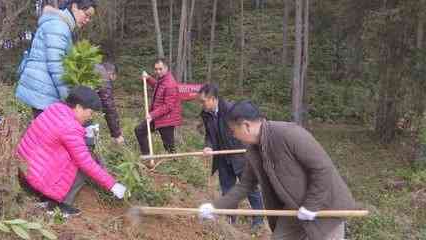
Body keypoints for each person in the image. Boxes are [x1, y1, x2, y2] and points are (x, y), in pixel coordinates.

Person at [198, 101, 357, 240]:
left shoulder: (289, 134)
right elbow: (245, 186)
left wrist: (311, 205)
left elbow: (322, 169)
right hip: (293, 207)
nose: (234, 135)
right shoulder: (253, 150)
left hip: (325, 206)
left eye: (233, 131)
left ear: (246, 125)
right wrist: (216, 207)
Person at [17, 86, 127, 217]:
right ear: (79, 107)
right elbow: (86, 163)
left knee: (77, 156)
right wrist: (113, 185)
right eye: (90, 112)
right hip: (36, 179)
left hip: (23, 169)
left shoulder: (55, 108)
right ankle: (55, 205)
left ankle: (48, 200)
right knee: (82, 165)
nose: (89, 117)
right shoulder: (70, 127)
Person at [198, 84, 264, 232]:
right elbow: (209, 134)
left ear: (213, 99)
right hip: (222, 158)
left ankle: (258, 220)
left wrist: (248, 151)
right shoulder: (206, 114)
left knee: (250, 188)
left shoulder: (230, 110)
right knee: (227, 188)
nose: (201, 105)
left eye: (203, 101)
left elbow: (245, 131)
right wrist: (208, 146)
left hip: (240, 155)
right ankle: (230, 217)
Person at [15, 0, 97, 118]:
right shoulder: (59, 26)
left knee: (44, 132)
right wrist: (70, 101)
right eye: (86, 14)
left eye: (90, 17)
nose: (87, 20)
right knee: (46, 134)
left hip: (43, 91)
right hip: (44, 94)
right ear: (74, 7)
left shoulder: (60, 24)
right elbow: (57, 67)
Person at [135, 58, 182, 155]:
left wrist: (152, 114)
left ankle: (174, 164)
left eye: (160, 69)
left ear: (166, 68)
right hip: (157, 117)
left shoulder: (170, 84)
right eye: (156, 69)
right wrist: (148, 78)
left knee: (169, 147)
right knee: (139, 130)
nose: (158, 71)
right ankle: (147, 156)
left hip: (167, 120)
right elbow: (157, 86)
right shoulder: (162, 80)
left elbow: (168, 106)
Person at [93, 62, 125, 145]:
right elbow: (109, 108)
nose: (112, 81)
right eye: (113, 79)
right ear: (112, 74)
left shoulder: (95, 67)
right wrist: (117, 134)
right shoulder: (104, 78)